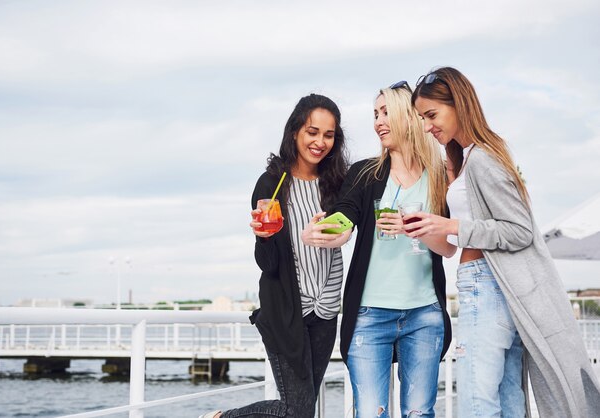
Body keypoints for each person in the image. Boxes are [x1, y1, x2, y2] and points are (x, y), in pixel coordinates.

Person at [411, 66, 600, 417]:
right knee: (508, 399)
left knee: (475, 401)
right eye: (422, 118)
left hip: (485, 286)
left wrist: (451, 223)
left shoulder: (482, 159)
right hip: (496, 288)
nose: (426, 126)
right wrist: (437, 228)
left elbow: (518, 230)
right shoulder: (471, 157)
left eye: (431, 115)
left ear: (459, 104)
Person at [302, 81, 455, 418]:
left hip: (425, 314)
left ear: (409, 117)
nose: (378, 122)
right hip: (370, 315)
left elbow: (446, 247)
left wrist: (412, 227)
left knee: (420, 412)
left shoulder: (439, 178)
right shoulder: (365, 174)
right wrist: (323, 231)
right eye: (375, 114)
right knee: (371, 413)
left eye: (386, 112)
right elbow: (344, 220)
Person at [199, 93, 350, 418]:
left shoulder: (337, 183)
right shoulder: (271, 183)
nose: (320, 142)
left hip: (326, 313)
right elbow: (267, 264)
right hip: (287, 313)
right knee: (296, 410)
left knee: (303, 409)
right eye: (312, 132)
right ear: (295, 131)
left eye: (328, 134)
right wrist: (263, 238)